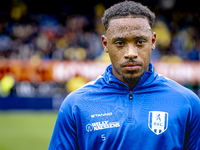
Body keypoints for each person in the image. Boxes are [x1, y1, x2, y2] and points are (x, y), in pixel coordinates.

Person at [49, 1, 200, 150]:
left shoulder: (188, 103)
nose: (131, 54)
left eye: (140, 42)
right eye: (120, 43)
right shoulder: (76, 105)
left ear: (153, 41)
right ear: (105, 44)